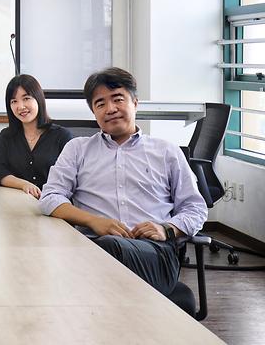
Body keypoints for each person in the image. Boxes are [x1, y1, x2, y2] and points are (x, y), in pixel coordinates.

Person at [39, 67, 208, 296]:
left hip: (154, 254)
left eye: (118, 99)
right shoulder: (77, 149)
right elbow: (50, 198)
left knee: (105, 251)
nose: (110, 109)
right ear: (94, 112)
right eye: (100, 104)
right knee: (101, 251)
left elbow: (195, 208)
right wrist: (94, 221)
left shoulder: (166, 151)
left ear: (135, 102)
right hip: (93, 247)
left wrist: (166, 229)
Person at [0, 74, 72, 198]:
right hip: (16, 203)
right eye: (14, 101)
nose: (20, 106)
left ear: (38, 99)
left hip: (55, 206)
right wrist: (24, 184)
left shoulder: (61, 136)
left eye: (26, 98)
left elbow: (72, 180)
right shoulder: (6, 136)